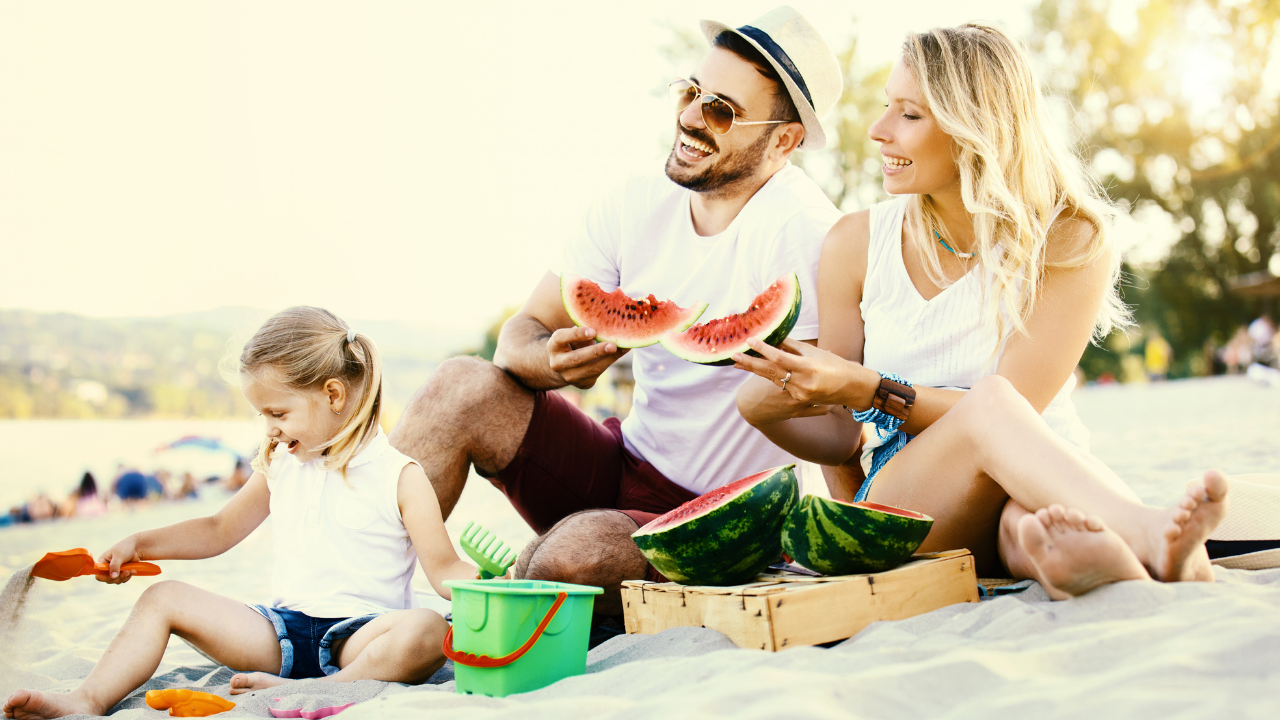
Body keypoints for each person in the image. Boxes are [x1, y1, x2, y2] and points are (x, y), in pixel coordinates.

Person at [731, 24, 1229, 599]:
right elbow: (843, 441)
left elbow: (1018, 413)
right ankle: (1143, 529)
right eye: (886, 107)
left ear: (976, 129)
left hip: (1043, 478)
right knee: (995, 405)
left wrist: (867, 387)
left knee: (1032, 527)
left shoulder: (1070, 240)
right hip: (916, 495)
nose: (878, 131)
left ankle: (1063, 559)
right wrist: (768, 409)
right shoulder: (854, 243)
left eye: (909, 115)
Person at [389, 6, 843, 614]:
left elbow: (836, 419)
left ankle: (509, 592)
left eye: (720, 110)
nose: (688, 117)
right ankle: (356, 607)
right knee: (459, 384)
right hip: (623, 462)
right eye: (692, 92)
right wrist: (546, 361)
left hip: (720, 521)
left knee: (569, 561)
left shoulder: (805, 233)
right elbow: (519, 335)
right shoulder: (633, 202)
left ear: (783, 140)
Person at [4, 307, 478, 720]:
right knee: (163, 598)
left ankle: (319, 691)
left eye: (278, 413)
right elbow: (219, 529)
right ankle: (87, 698)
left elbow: (444, 568)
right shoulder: (281, 463)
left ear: (333, 395)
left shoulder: (400, 475)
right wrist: (140, 543)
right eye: (262, 416)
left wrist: (480, 584)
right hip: (279, 633)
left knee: (427, 629)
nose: (269, 430)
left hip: (360, 639)